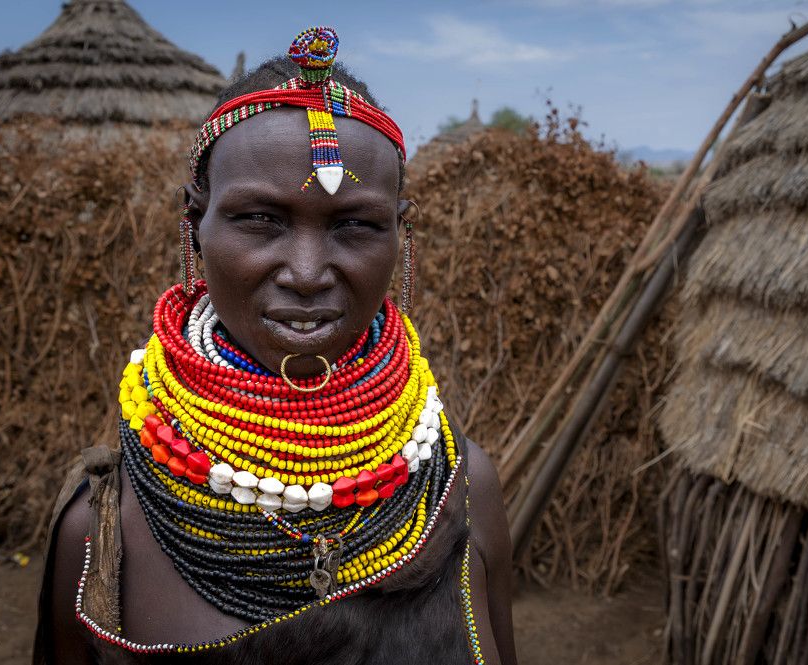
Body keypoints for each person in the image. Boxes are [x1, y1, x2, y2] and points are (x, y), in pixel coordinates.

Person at [34, 26, 517, 665]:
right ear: (195, 223)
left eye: (356, 225)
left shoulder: (461, 488)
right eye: (260, 220)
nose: (308, 272)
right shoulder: (101, 531)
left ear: (400, 233)